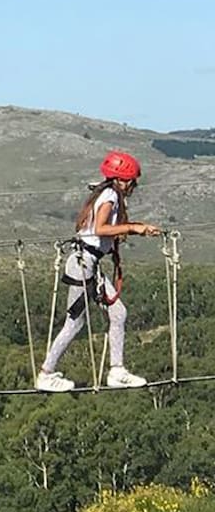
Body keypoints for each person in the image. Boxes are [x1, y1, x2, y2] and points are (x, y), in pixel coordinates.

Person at [36, 151, 161, 393]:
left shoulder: (104, 192)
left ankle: (117, 369)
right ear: (124, 180)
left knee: (118, 313)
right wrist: (136, 228)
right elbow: (101, 228)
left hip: (90, 263)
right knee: (74, 323)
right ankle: (46, 373)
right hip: (84, 264)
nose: (134, 186)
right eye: (133, 181)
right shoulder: (110, 195)